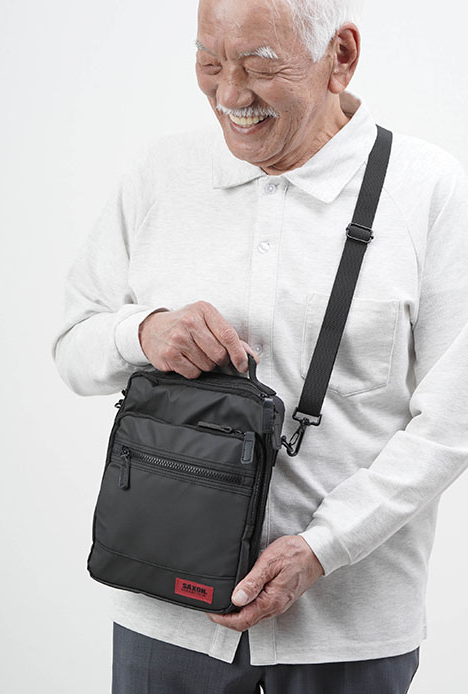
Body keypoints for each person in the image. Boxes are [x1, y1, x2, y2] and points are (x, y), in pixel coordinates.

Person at [52, 0, 468, 691]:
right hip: (164, 618)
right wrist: (144, 331)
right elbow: (73, 344)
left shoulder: (431, 190)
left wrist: (323, 548)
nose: (230, 94)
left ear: (340, 57)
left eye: (259, 66)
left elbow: (453, 419)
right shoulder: (161, 172)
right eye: (209, 62)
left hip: (346, 631)